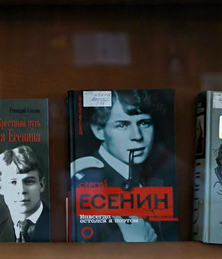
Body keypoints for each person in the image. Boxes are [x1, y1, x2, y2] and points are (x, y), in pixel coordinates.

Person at [71, 90, 166, 242]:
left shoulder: (160, 175)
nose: (137, 136)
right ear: (99, 130)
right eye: (122, 125)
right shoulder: (86, 178)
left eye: (144, 123)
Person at [0, 145, 49, 242]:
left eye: (29, 181)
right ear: (0, 187)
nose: (22, 190)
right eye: (13, 182)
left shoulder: (65, 227)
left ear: (41, 185)